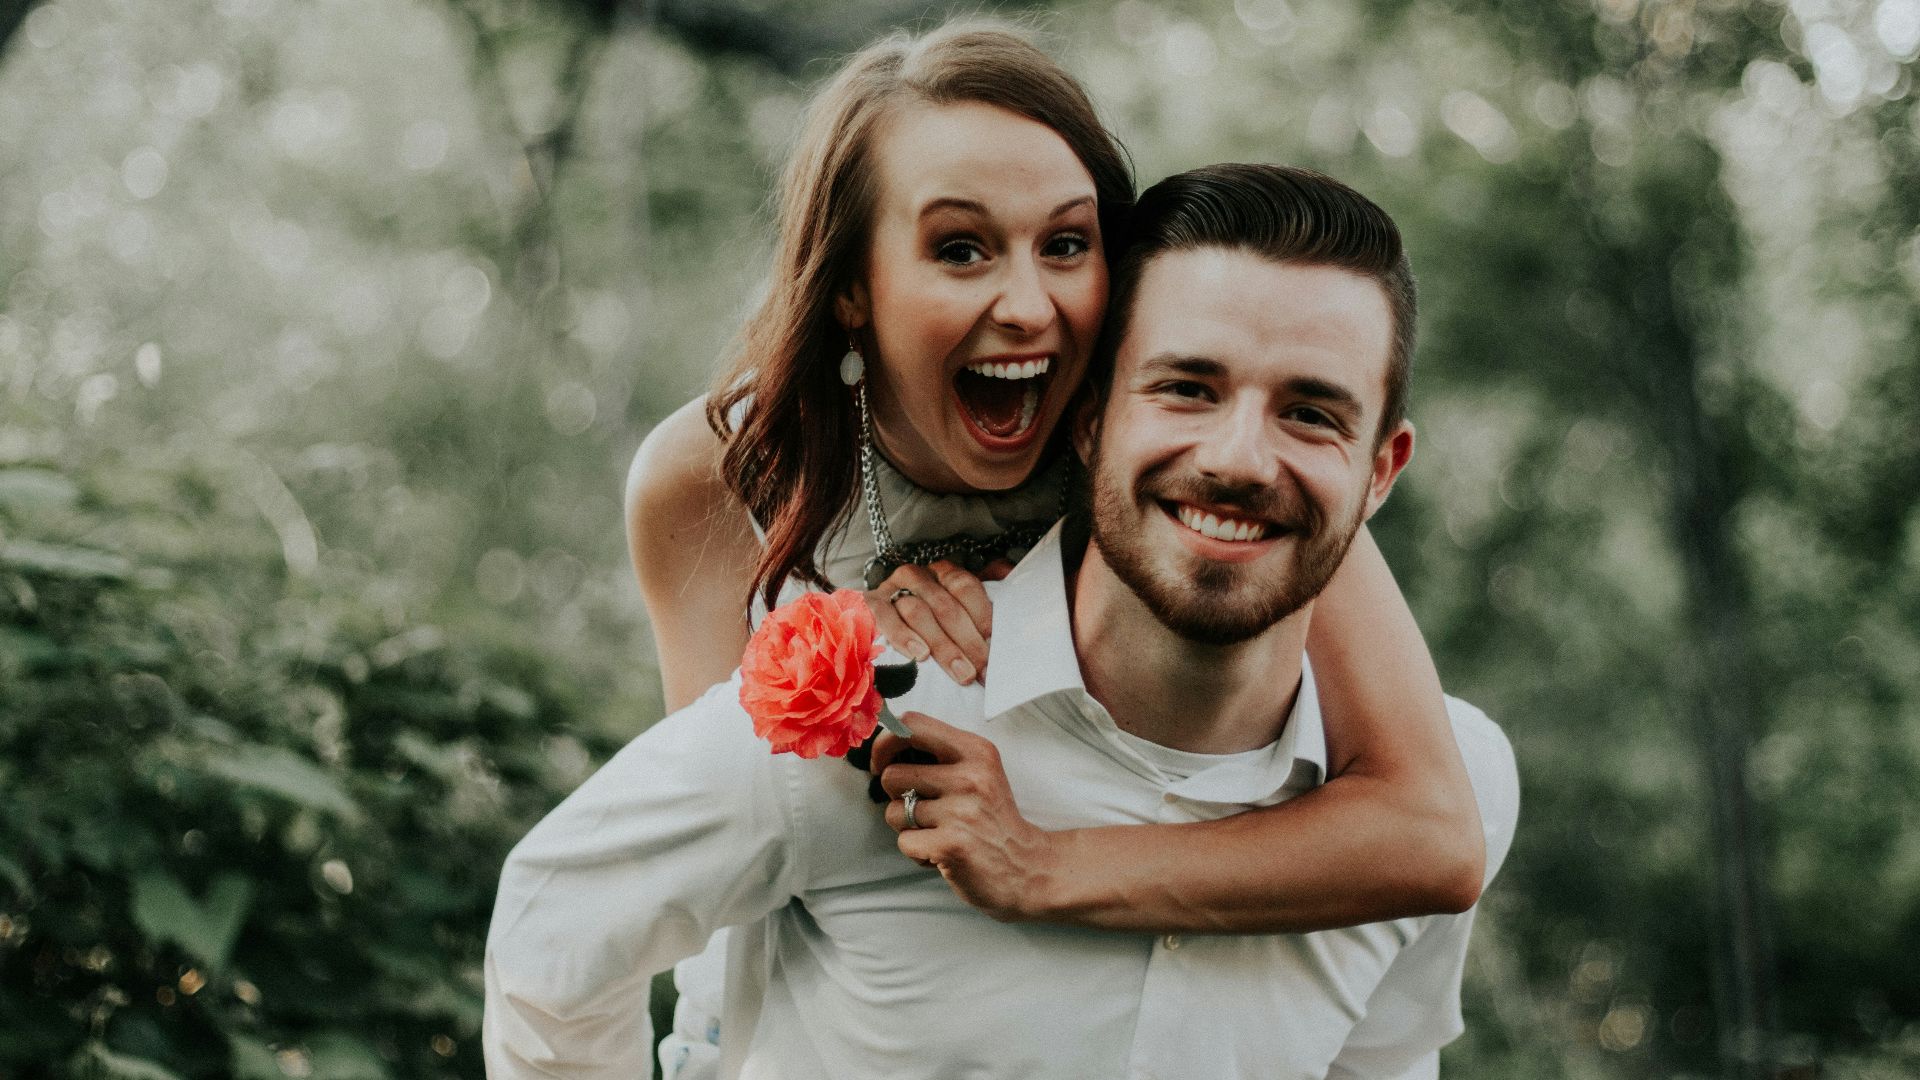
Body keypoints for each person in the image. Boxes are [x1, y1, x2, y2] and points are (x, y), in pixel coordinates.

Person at [489, 163, 1520, 1078]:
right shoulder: (866, 720)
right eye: (1186, 387)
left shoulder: (1456, 783)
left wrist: (1047, 866)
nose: (1242, 457)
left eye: (1311, 412)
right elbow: (554, 934)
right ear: (1088, 416)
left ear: (1382, 470)